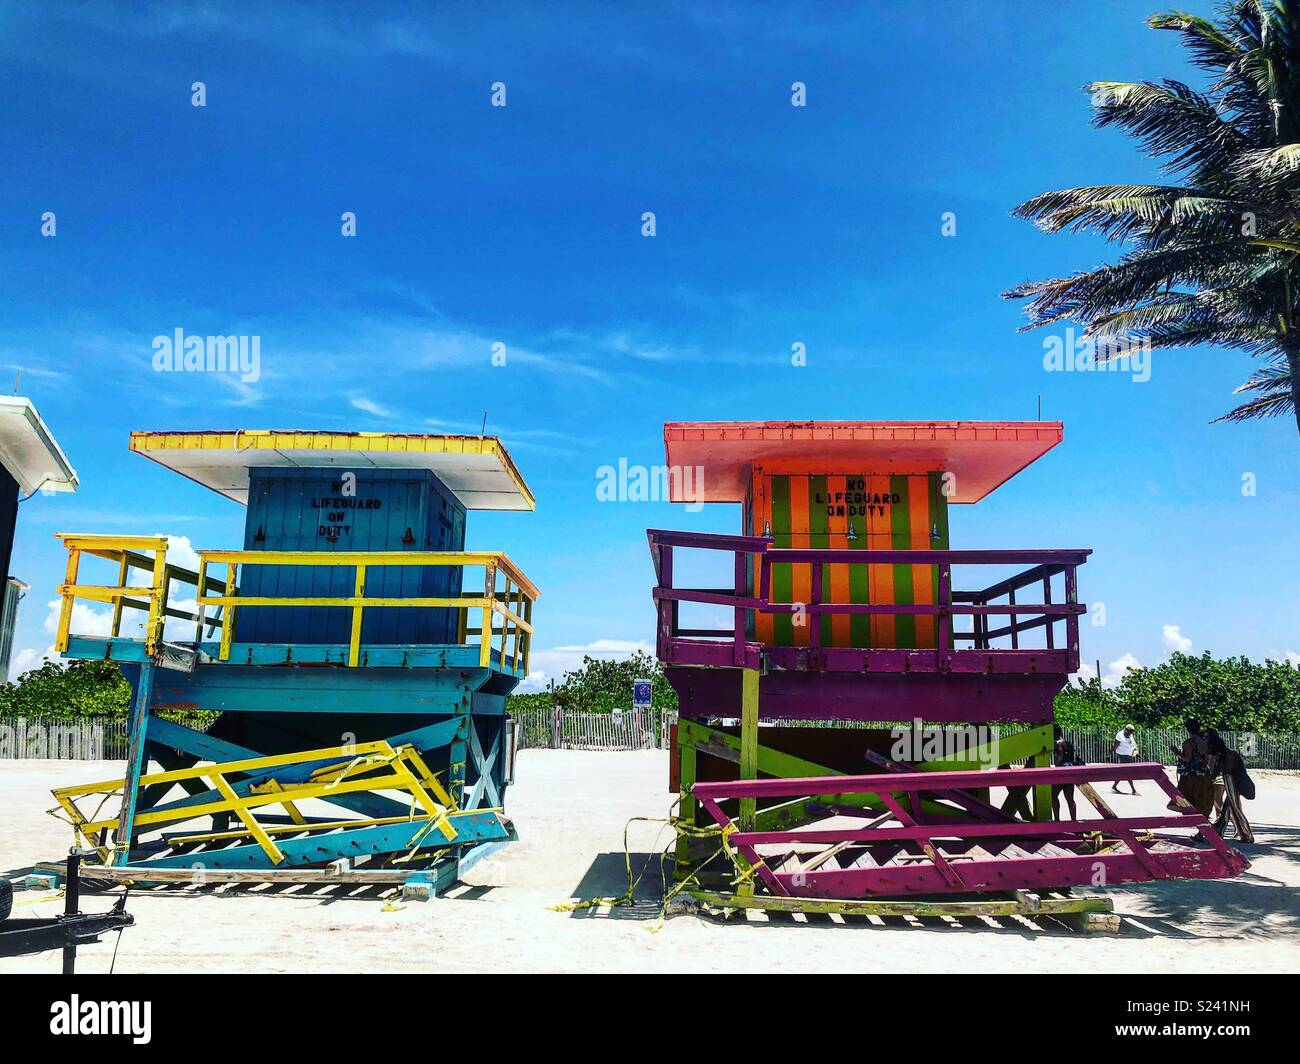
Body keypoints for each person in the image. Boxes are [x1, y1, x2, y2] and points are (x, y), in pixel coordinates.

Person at [1205, 729, 1255, 844]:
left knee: (1235, 808)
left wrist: (1211, 773)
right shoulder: (1228, 753)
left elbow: (1224, 770)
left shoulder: (1224, 755)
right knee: (1226, 809)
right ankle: (1218, 830)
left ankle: (1246, 835)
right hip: (1231, 780)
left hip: (1231, 780)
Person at [1170, 719, 1214, 817]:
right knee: (1201, 800)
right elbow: (1206, 759)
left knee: (1185, 799)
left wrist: (1176, 752)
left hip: (1191, 776)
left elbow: (1187, 759)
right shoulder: (1204, 743)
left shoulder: (1188, 743)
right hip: (1203, 773)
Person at [1052, 733, 1081, 820]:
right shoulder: (1068, 743)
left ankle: (1057, 820)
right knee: (1070, 799)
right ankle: (1073, 821)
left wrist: (1056, 767)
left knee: (1053, 796)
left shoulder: (1056, 743)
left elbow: (1060, 755)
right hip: (1070, 771)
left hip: (1061, 772)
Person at [1111, 724, 1140, 795]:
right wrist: (1112, 752)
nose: (1130, 733)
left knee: (1123, 772)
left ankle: (1114, 786)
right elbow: (1115, 745)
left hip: (1129, 754)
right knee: (1127, 771)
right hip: (1122, 754)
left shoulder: (1130, 735)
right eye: (1129, 732)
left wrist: (1136, 751)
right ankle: (1133, 790)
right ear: (1125, 730)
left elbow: (1133, 743)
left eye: (1131, 732)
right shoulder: (1120, 735)